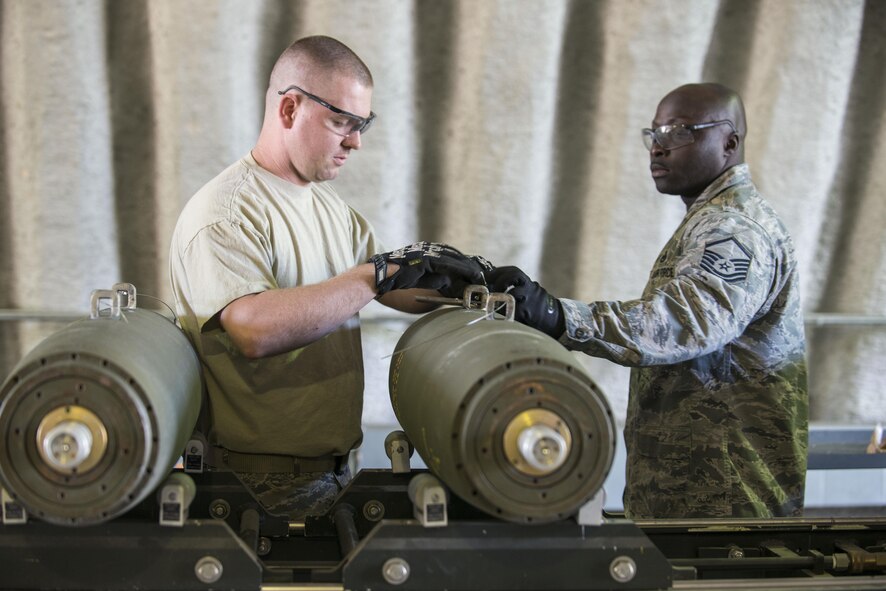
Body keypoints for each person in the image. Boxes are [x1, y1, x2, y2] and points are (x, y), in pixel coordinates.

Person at [169, 36, 487, 520]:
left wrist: (465, 287)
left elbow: (389, 290)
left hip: (335, 472)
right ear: (291, 108)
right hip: (252, 485)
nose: (355, 141)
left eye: (363, 125)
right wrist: (371, 277)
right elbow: (253, 329)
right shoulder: (227, 213)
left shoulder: (335, 212)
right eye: (343, 122)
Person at [487, 83, 807, 519]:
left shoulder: (734, 229)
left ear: (729, 142)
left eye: (678, 132)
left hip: (725, 501)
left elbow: (684, 322)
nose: (657, 148)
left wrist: (556, 314)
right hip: (693, 493)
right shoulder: (711, 220)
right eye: (653, 134)